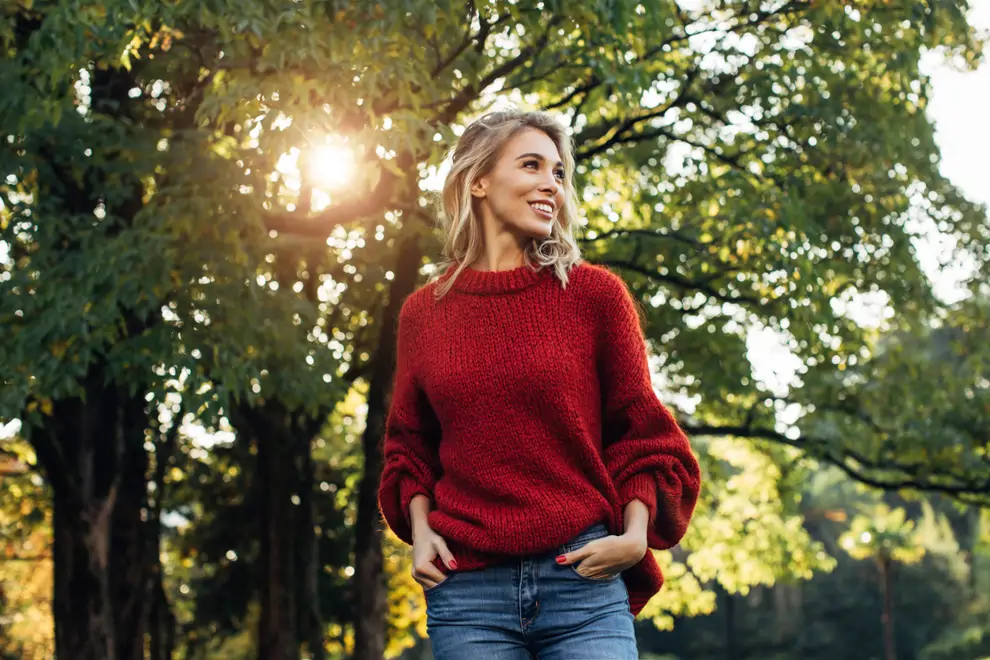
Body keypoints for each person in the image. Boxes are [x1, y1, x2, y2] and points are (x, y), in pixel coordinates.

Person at [378, 109, 701, 659]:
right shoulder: (422, 314)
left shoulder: (594, 296)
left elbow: (641, 432)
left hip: (583, 578)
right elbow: (409, 444)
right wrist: (420, 527)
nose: (551, 184)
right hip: (468, 589)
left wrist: (634, 534)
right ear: (477, 181)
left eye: (558, 173)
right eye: (532, 166)